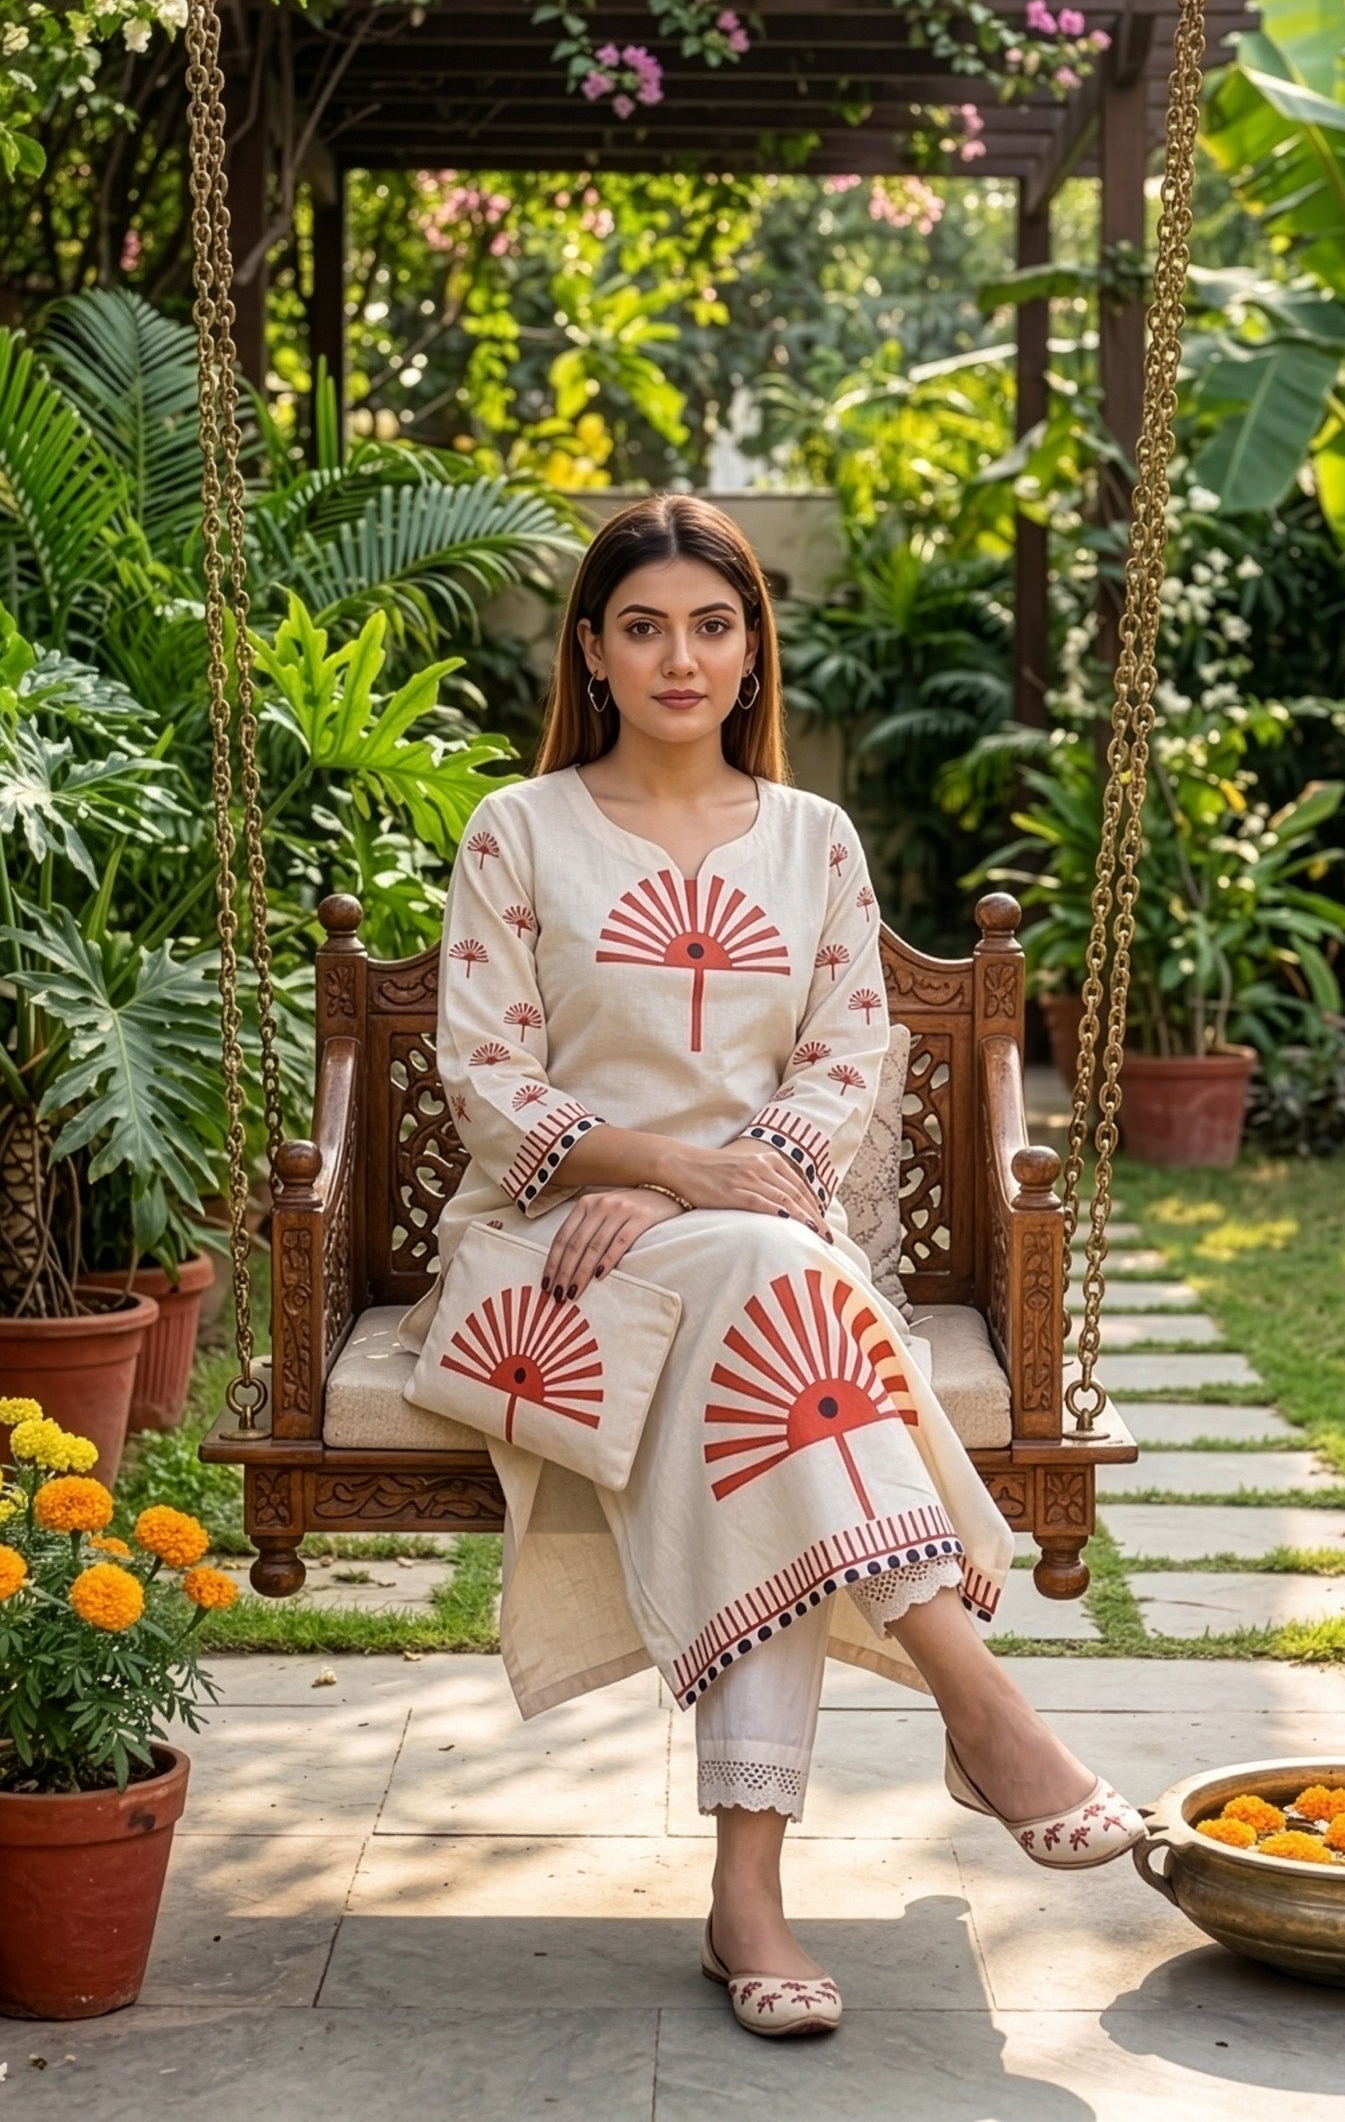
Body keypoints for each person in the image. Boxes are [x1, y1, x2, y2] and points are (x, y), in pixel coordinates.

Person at [400, 494, 1144, 2039]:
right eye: (645, 625)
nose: (682, 655)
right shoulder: (516, 828)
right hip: (557, 1248)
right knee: (777, 1316)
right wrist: (662, 1170)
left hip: (765, 1246)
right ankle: (979, 1708)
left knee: (768, 1357)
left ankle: (755, 1892)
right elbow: (482, 1072)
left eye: (713, 624)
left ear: (752, 655)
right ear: (592, 654)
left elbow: (845, 1057)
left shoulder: (815, 840)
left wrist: (723, 1195)